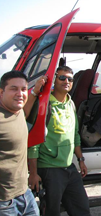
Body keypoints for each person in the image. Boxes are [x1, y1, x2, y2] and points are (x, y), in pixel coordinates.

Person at [28, 66, 91, 216]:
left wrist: (80, 159)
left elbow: (75, 135)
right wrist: (34, 173)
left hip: (69, 167)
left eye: (70, 78)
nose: (66, 81)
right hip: (50, 169)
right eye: (62, 78)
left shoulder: (71, 104)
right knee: (51, 211)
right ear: (54, 81)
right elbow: (34, 141)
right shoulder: (44, 104)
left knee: (82, 209)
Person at [0, 71, 41, 216]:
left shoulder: (17, 113)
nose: (20, 93)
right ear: (1, 92)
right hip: (4, 203)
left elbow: (25, 111)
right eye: (13, 89)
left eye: (23, 89)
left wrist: (35, 92)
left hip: (25, 194)